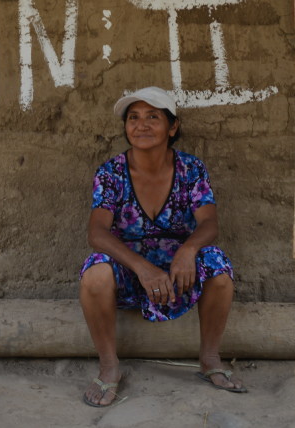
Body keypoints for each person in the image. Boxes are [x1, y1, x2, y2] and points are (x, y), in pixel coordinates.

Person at [79, 86, 246, 407]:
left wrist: (187, 250)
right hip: (131, 274)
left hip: (177, 276)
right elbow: (97, 233)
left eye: (153, 117)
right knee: (96, 270)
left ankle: (210, 358)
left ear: (173, 127)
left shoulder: (191, 169)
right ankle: (109, 366)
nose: (141, 125)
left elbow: (209, 223)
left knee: (217, 264)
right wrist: (142, 268)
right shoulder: (111, 172)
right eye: (133, 118)